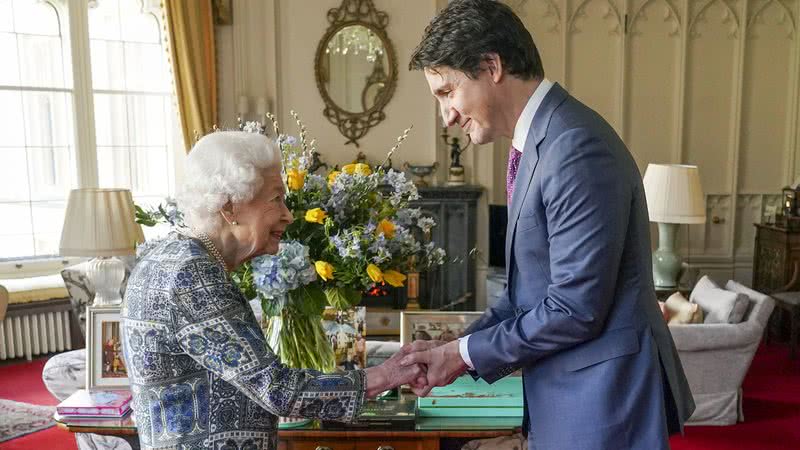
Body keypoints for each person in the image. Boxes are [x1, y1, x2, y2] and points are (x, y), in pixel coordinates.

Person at [400, 1, 695, 448]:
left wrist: (460, 357)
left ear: (491, 66)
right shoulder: (542, 141)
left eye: (446, 93)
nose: (447, 116)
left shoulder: (574, 146)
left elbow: (574, 309)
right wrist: (450, 347)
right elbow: (527, 296)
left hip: (602, 402)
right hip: (570, 395)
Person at [121, 131, 424, 450]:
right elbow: (277, 388)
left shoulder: (168, 256)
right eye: (276, 199)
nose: (288, 215)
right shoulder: (191, 273)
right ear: (230, 207)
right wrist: (384, 376)